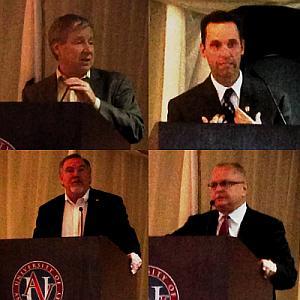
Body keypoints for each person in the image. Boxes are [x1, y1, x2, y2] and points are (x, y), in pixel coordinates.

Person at [172, 163, 297, 298]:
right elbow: (166, 247)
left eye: (225, 184)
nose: (218, 189)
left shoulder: (268, 227)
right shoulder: (198, 224)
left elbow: (289, 276)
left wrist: (273, 270)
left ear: (244, 189)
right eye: (213, 185)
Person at [22, 14, 144, 144]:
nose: (88, 50)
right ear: (57, 48)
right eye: (79, 42)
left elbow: (136, 130)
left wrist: (96, 103)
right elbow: (26, 139)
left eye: (91, 42)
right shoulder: (34, 93)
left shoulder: (115, 83)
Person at [167, 10, 291, 124]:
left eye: (232, 44)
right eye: (216, 45)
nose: (225, 54)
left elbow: (290, 147)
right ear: (203, 50)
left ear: (242, 47)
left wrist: (257, 137)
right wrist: (204, 140)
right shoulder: (182, 108)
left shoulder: (275, 101)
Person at [33, 153, 142, 274]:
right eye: (70, 170)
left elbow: (126, 238)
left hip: (99, 278)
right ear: (61, 179)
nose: (76, 175)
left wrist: (132, 256)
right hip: (59, 278)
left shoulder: (110, 204)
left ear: (89, 177)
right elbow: (37, 248)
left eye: (81, 170)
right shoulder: (48, 210)